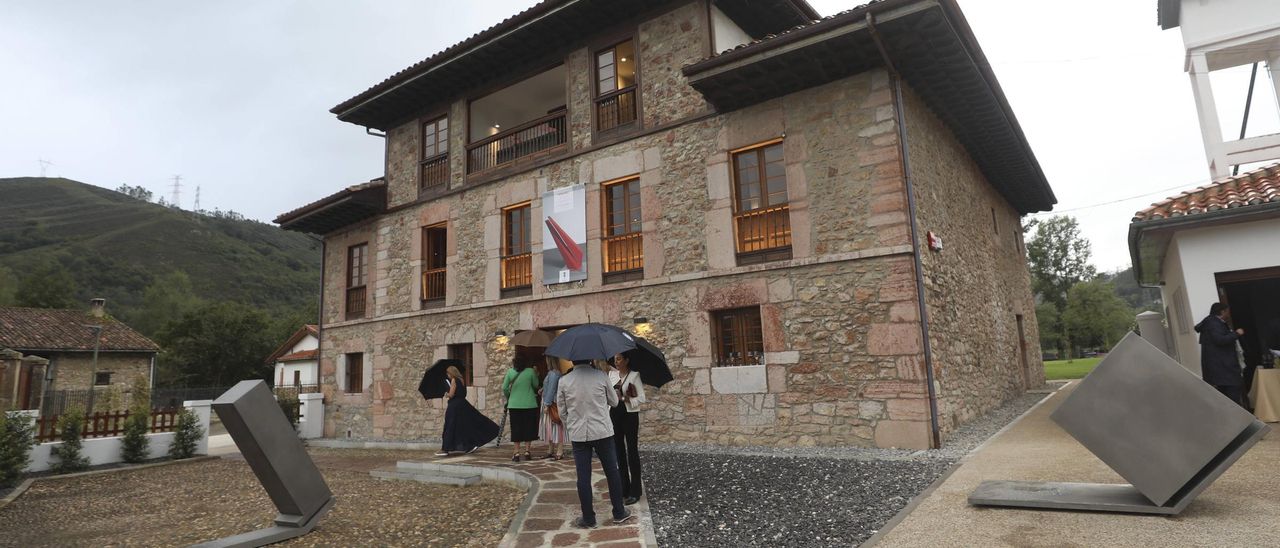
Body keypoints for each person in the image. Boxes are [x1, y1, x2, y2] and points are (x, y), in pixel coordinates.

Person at [556, 359, 633, 529]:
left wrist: (571, 426)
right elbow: (614, 402)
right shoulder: (601, 376)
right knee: (612, 472)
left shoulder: (564, 381)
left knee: (583, 477)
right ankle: (619, 512)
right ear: (590, 358)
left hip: (579, 435)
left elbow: (562, 411)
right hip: (602, 431)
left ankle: (589, 518)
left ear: (572, 360)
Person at [437, 366, 499, 456]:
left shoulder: (454, 380)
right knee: (464, 426)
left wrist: (446, 393)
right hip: (463, 404)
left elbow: (451, 395)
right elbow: (463, 393)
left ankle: (445, 449)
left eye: (448, 373)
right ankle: (469, 445)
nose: (447, 375)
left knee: (450, 426)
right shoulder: (462, 380)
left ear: (451, 373)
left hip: (454, 406)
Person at [609, 353, 646, 505]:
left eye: (619, 359)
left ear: (626, 360)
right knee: (618, 452)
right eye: (615, 359)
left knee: (631, 451)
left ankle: (635, 491)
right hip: (614, 414)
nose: (616, 362)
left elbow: (642, 398)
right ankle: (623, 488)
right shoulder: (611, 375)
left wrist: (625, 398)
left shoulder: (634, 376)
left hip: (629, 415)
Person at [1195, 302, 1246, 407]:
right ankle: (1240, 421)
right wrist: (1236, 333)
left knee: (1226, 400)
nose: (1228, 314)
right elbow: (1220, 340)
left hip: (1220, 371)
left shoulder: (1211, 322)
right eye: (1227, 311)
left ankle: (1236, 420)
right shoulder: (1214, 324)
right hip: (1224, 370)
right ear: (1222, 311)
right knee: (1233, 400)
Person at [502, 358, 541, 461]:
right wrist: (536, 375)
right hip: (529, 404)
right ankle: (527, 451)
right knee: (529, 427)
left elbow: (504, 387)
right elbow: (536, 385)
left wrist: (509, 396)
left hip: (514, 405)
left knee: (516, 428)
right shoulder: (530, 371)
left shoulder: (510, 372)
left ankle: (516, 452)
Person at [539, 357, 567, 460]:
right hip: (551, 401)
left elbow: (551, 390)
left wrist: (546, 404)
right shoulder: (554, 373)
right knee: (550, 427)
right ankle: (551, 449)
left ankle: (559, 450)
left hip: (552, 403)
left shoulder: (554, 373)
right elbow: (550, 387)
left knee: (555, 426)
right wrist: (543, 389)